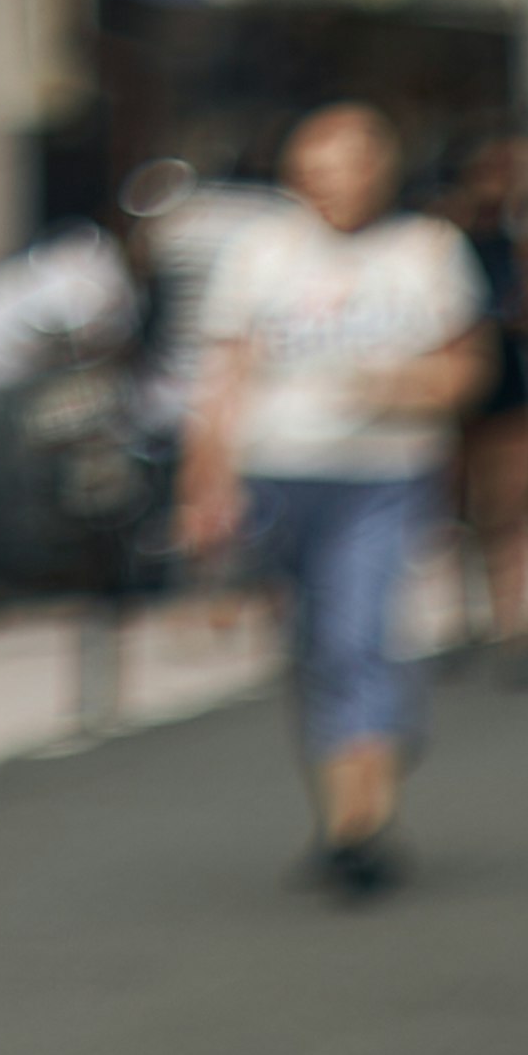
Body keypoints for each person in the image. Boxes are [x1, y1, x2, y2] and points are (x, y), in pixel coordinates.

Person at [176, 104, 489, 897]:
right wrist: (205, 485)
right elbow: (224, 377)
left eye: (349, 167)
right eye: (317, 172)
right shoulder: (260, 252)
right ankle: (341, 798)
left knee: (361, 633)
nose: (334, 187)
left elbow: (467, 369)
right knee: (314, 646)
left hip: (382, 472)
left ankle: (364, 824)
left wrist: (403, 385)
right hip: (280, 470)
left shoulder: (427, 250)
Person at [441, 125, 528, 670]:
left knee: (516, 505)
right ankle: (468, 615)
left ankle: (520, 619)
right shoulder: (444, 240)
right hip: (460, 391)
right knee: (461, 509)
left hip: (516, 384)